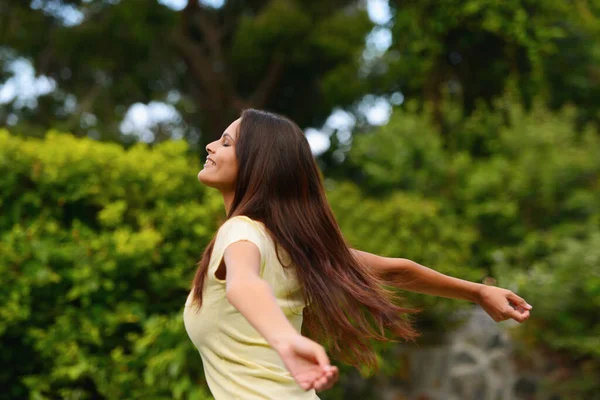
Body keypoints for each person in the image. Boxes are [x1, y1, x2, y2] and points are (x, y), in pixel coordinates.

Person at [183, 109, 532, 399]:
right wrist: (477, 291)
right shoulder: (292, 249)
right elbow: (395, 271)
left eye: (227, 142)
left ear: (258, 165)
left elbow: (243, 284)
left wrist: (287, 340)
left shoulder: (240, 231)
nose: (211, 146)